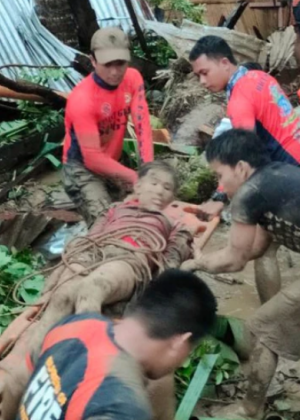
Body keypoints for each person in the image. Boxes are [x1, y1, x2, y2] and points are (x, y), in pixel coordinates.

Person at [181, 129, 300, 419]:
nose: (220, 186)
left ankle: (249, 410)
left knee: (262, 326)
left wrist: (195, 265)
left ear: (242, 168)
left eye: (221, 176)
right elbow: (257, 248)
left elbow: (235, 260)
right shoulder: (276, 177)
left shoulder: (249, 193)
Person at [26, 161, 193, 355]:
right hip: (95, 251)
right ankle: (34, 357)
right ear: (137, 186)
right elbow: (91, 236)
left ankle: (84, 356)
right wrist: (68, 264)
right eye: (153, 183)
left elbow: (170, 262)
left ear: (171, 197)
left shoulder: (174, 225)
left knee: (92, 289)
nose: (159, 191)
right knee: (62, 295)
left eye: (167, 188)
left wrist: (154, 294)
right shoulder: (114, 209)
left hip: (129, 258)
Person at [17, 269, 217, 420]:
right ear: (179, 342)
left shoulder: (75, 323)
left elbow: (20, 380)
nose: (181, 362)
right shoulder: (122, 406)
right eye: (187, 352)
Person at [189, 35, 300, 219]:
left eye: (205, 72)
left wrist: (220, 196)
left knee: (250, 209)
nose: (202, 81)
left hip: (291, 168)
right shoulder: (259, 76)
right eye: (198, 75)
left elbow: (243, 153)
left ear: (224, 63)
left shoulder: (239, 98)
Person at [61, 27, 154, 226]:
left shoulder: (133, 78)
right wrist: (134, 177)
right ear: (93, 61)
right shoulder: (82, 100)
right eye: (107, 64)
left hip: (112, 161)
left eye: (120, 63)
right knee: (105, 224)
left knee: (132, 213)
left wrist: (148, 168)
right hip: (82, 168)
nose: (114, 72)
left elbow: (142, 125)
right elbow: (93, 158)